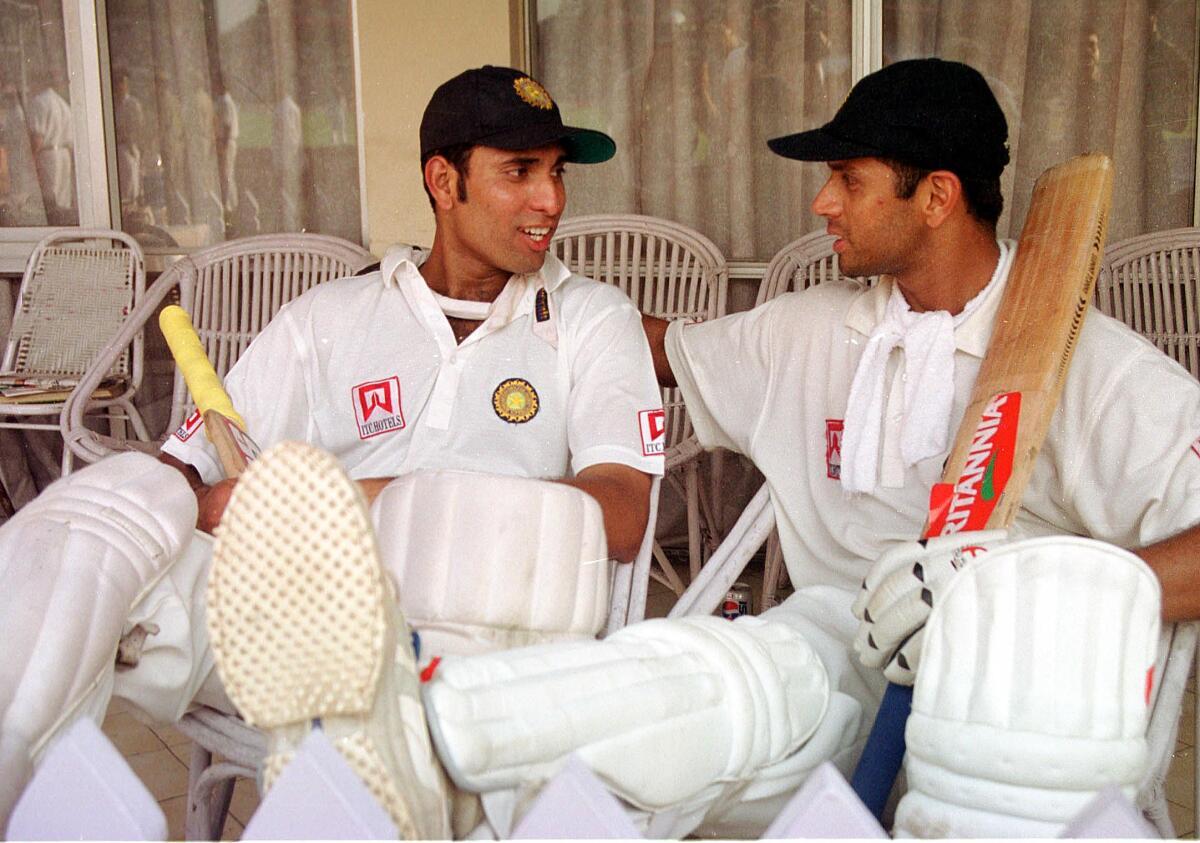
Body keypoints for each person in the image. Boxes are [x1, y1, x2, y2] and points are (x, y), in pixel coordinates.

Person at [193, 58, 1198, 840]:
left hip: (1011, 700)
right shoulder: (817, 329)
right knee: (698, 670)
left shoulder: (1085, 364)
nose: (822, 205)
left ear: (935, 197)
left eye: (847, 179)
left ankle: (439, 745)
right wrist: (549, 331)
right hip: (831, 643)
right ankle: (431, 739)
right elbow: (650, 352)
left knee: (737, 700)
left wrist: (1039, 593)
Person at [0, 65, 664, 837]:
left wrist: (334, 502)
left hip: (489, 635)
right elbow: (194, 465)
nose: (551, 199)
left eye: (555, 173)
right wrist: (179, 493)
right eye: (520, 171)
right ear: (442, 182)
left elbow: (618, 513)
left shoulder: (591, 318)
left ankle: (366, 737)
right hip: (304, 615)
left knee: (380, 728)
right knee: (106, 508)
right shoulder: (331, 316)